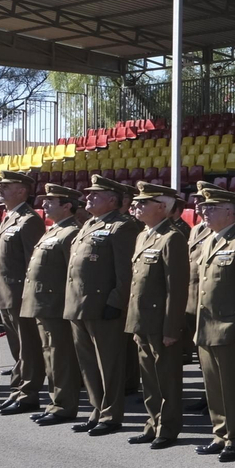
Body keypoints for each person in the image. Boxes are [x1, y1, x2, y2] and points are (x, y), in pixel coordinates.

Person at [64, 176, 143, 435]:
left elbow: (126, 270)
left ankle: (110, 415)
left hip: (103, 305)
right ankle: (96, 410)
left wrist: (116, 301)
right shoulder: (89, 224)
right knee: (88, 364)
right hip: (79, 304)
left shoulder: (122, 227)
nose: (88, 198)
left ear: (112, 200)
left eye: (95, 194)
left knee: (108, 364)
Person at [188, 187, 235, 463]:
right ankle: (220, 434)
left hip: (230, 328)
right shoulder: (210, 241)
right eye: (204, 208)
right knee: (214, 387)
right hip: (206, 326)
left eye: (211, 208)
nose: (204, 212)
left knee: (233, 387)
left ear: (230, 212)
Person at [124, 182, 191, 449]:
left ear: (162, 207)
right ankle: (152, 424)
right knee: (149, 379)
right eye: (137, 202)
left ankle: (168, 428)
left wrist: (171, 328)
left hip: (161, 322)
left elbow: (176, 288)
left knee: (166, 379)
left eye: (144, 202)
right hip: (141, 319)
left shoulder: (172, 238)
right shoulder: (143, 235)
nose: (136, 206)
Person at [20, 185, 82, 422]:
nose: (44, 204)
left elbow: (73, 275)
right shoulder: (54, 230)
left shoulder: (71, 232)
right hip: (44, 303)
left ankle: (64, 405)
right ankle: (55, 402)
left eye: (51, 201)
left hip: (56, 305)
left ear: (67, 206)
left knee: (60, 357)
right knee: (49, 355)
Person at [0, 170, 46, 414]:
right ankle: (18, 389)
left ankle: (28, 394)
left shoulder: (29, 219)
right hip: (5, 292)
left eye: (6, 186)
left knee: (28, 347)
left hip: (20, 294)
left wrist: (29, 295)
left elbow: (33, 263)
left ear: (22, 191)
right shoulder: (10, 217)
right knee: (17, 347)